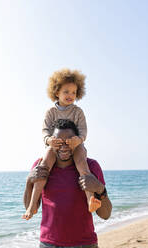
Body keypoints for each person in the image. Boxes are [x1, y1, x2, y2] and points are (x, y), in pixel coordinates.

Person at [23, 68, 101, 220]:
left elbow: (83, 131)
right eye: (66, 91)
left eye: (73, 92)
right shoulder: (50, 112)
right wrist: (48, 140)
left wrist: (78, 140)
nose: (70, 95)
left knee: (82, 165)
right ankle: (32, 205)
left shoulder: (78, 112)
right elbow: (45, 131)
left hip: (75, 146)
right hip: (55, 146)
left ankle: (89, 200)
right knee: (44, 166)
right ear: (56, 92)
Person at [23, 119, 112, 248]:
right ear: (51, 142)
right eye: (59, 142)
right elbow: (30, 208)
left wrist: (100, 189)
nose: (64, 146)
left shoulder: (91, 166)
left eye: (69, 141)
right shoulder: (41, 167)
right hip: (48, 244)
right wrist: (28, 182)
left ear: (77, 142)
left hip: (85, 244)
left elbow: (105, 215)